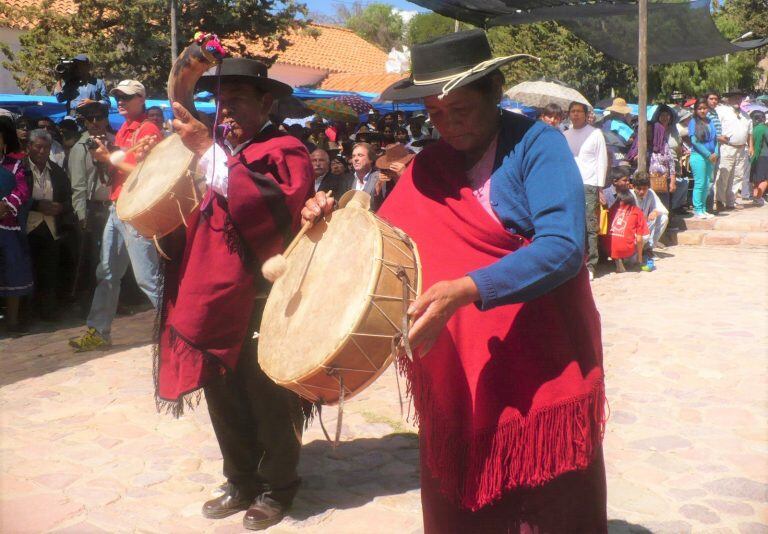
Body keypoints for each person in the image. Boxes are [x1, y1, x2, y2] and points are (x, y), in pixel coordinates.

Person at [303, 29, 605, 533]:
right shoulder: (431, 165)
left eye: (460, 109)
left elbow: (565, 247)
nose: (448, 124)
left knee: (545, 500)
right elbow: (382, 240)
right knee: (465, 500)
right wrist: (326, 220)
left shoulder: (537, 146)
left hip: (537, 358)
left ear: (494, 91)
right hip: (458, 368)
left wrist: (467, 289)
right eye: (436, 113)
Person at [162, 58, 313, 530]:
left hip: (263, 298)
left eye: (238, 102)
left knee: (268, 394)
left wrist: (207, 150)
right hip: (214, 296)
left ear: (267, 102)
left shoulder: (286, 149)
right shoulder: (216, 151)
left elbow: (274, 205)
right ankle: (241, 478)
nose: (225, 113)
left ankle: (277, 486)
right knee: (222, 392)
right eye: (221, 103)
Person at [68, 79, 162, 351]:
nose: (120, 100)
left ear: (141, 99)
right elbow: (115, 174)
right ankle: (99, 331)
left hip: (134, 208)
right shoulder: (124, 131)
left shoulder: (149, 130)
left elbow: (148, 173)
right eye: (118, 96)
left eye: (127, 96)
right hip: (119, 207)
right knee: (107, 272)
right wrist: (105, 159)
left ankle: (180, 331)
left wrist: (107, 158)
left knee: (147, 277)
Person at [24, 129, 76, 321]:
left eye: (46, 148)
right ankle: (25, 314)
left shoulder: (57, 172)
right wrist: (36, 205)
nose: (42, 151)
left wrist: (60, 207)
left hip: (52, 229)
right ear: (29, 147)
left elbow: (69, 200)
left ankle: (47, 312)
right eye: (38, 147)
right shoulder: (21, 170)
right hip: (26, 229)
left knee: (49, 271)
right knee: (27, 272)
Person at [69, 102, 114, 307]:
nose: (95, 123)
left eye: (98, 118)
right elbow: (77, 186)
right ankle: (94, 302)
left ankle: (114, 299)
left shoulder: (115, 141)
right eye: (90, 119)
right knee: (95, 258)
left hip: (115, 205)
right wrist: (81, 215)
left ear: (106, 119)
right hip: (93, 208)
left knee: (114, 256)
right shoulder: (79, 148)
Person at [563, 101, 608, 281]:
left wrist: (600, 188)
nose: (575, 115)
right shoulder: (565, 135)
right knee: (572, 224)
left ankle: (591, 265)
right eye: (572, 111)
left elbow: (601, 161)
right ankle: (575, 262)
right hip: (570, 185)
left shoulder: (595, 134)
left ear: (585, 113)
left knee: (590, 226)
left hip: (589, 184)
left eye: (579, 111)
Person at [0, 118, 33, 334]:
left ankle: (12, 321)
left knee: (12, 272)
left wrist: (5, 205)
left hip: (7, 228)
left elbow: (22, 190)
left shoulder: (15, 165)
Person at [715, 90, 753, 209]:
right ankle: (720, 201)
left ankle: (731, 201)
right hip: (727, 147)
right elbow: (716, 128)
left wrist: (751, 146)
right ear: (729, 99)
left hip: (741, 148)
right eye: (735, 98)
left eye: (739, 98)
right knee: (724, 174)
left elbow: (750, 133)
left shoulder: (745, 115)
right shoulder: (722, 111)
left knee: (738, 175)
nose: (737, 100)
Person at [602, 190, 649, 273]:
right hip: (626, 249)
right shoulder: (637, 211)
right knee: (645, 236)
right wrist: (640, 260)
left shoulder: (612, 209)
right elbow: (639, 239)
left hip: (608, 248)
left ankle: (617, 258)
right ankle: (630, 259)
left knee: (616, 238)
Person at [689, 97, 719, 219]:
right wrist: (708, 154)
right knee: (700, 183)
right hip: (699, 156)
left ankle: (704, 209)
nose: (702, 111)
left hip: (711, 157)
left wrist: (716, 153)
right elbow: (694, 141)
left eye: (704, 108)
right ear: (696, 110)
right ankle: (697, 209)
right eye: (700, 108)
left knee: (707, 184)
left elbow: (715, 139)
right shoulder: (693, 122)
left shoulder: (710, 121)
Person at [632, 172, 669, 254]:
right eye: (638, 189)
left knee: (663, 217)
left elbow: (663, 209)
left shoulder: (650, 193)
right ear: (633, 187)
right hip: (632, 229)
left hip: (644, 226)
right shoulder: (630, 195)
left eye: (644, 189)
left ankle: (649, 248)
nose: (641, 192)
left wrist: (655, 212)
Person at [750, 110, 768, 205]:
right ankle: (758, 197)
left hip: (755, 156)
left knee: (757, 178)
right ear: (763, 119)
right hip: (765, 156)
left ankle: (756, 197)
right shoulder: (765, 129)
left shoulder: (754, 129)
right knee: (765, 179)